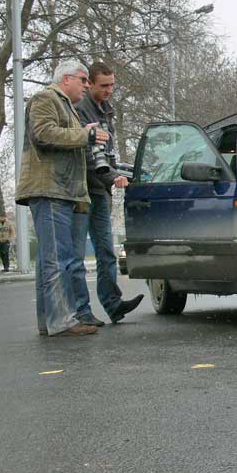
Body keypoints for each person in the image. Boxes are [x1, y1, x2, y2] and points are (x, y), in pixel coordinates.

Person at [15, 60, 109, 337]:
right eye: (83, 80)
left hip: (60, 190)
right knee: (58, 258)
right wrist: (86, 134)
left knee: (50, 259)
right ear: (66, 79)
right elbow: (43, 134)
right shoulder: (45, 98)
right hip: (50, 189)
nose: (86, 85)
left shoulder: (66, 105)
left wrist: (86, 133)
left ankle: (50, 321)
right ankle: (62, 320)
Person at [72, 62, 143, 325]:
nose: (109, 90)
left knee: (105, 251)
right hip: (83, 190)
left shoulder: (106, 110)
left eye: (112, 84)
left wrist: (121, 173)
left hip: (101, 189)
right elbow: (90, 156)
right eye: (104, 85)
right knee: (77, 255)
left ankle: (113, 305)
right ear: (89, 83)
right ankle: (81, 311)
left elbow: (107, 154)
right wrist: (114, 177)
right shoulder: (80, 110)